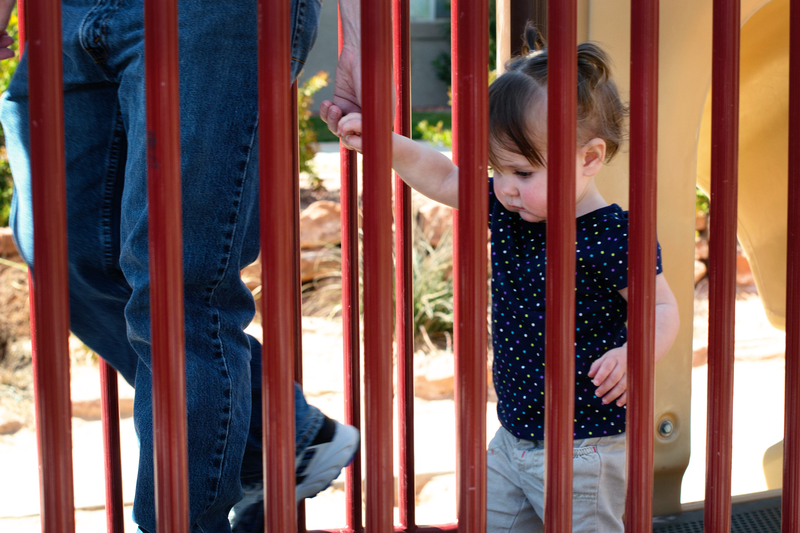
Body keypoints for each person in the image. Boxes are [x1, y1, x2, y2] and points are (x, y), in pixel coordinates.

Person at [0, 0, 361, 532]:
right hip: (66, 12)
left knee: (178, 286)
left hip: (211, 13)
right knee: (62, 256)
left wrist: (357, 38)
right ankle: (275, 434)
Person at [326, 31, 681, 533]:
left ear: (589, 158)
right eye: (498, 169)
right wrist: (385, 144)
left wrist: (635, 352)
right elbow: (445, 177)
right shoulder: (512, 210)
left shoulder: (612, 235)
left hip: (584, 445)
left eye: (523, 172)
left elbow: (661, 308)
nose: (506, 187)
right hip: (514, 436)